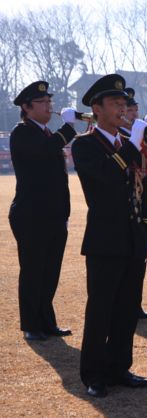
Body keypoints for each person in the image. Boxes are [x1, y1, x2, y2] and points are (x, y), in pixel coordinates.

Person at [72, 74, 147, 397]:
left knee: (126, 306)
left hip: (132, 235)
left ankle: (120, 366)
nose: (123, 109)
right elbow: (105, 177)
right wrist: (133, 146)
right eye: (115, 104)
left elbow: (140, 187)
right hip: (105, 238)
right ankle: (94, 373)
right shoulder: (85, 144)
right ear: (96, 108)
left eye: (125, 103)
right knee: (102, 308)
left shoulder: (125, 143)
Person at [9, 81, 77, 341]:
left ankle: (47, 322)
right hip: (31, 214)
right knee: (33, 270)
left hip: (53, 214)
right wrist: (68, 129)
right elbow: (44, 151)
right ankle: (31, 325)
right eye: (43, 102)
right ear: (27, 108)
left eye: (50, 102)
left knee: (50, 271)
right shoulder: (23, 132)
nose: (50, 106)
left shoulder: (46, 133)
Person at [124, 88, 147, 319]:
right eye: (130, 110)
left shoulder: (140, 135)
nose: (134, 113)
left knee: (140, 258)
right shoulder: (120, 138)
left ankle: (135, 304)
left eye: (136, 109)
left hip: (143, 201)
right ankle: (126, 304)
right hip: (126, 207)